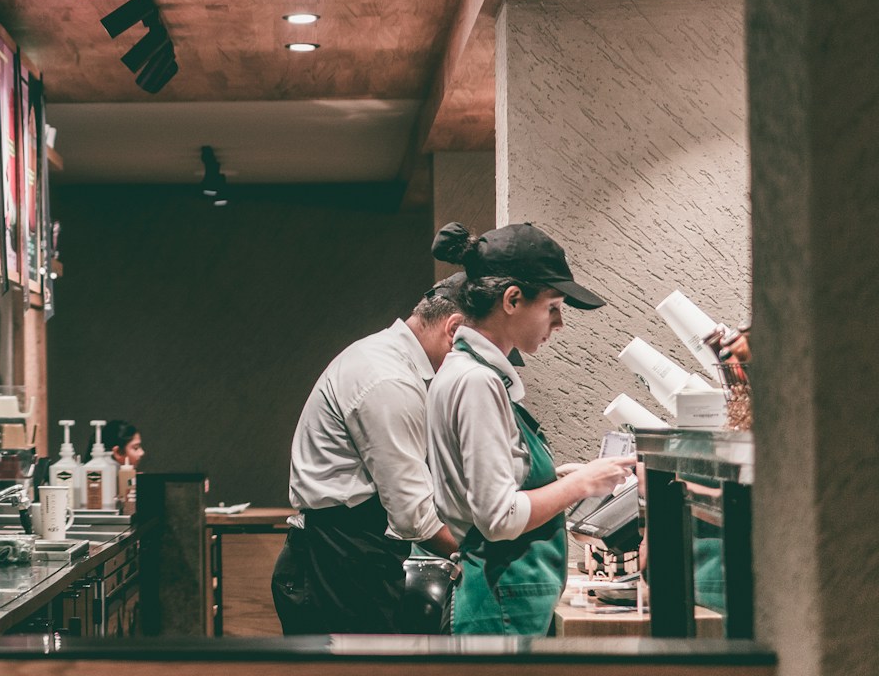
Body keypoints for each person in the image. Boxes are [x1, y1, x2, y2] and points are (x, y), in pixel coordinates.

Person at [426, 223, 636, 635]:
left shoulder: (465, 371)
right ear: (512, 299)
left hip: (500, 599)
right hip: (501, 603)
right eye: (553, 306)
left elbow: (488, 487)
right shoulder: (477, 382)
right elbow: (499, 518)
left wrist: (555, 477)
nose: (559, 323)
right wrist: (584, 485)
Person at [270, 275, 468, 635]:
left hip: (343, 555)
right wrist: (485, 551)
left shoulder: (385, 358)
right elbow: (415, 517)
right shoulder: (388, 379)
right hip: (339, 563)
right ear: (454, 329)